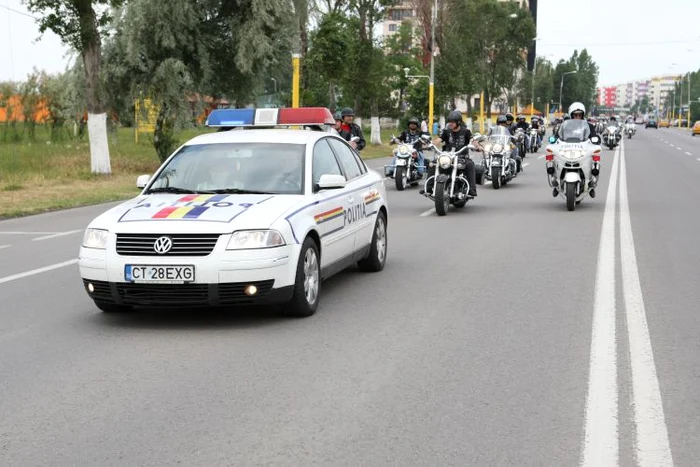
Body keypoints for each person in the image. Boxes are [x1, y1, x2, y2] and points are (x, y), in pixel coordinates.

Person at [423, 110, 477, 197]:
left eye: (453, 122)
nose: (450, 124)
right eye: (450, 122)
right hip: (448, 157)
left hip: (462, 157)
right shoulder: (446, 132)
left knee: (470, 165)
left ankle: (472, 189)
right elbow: (439, 139)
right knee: (433, 164)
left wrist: (476, 146)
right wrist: (430, 145)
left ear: (458, 122)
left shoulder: (466, 132)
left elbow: (472, 140)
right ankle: (428, 187)